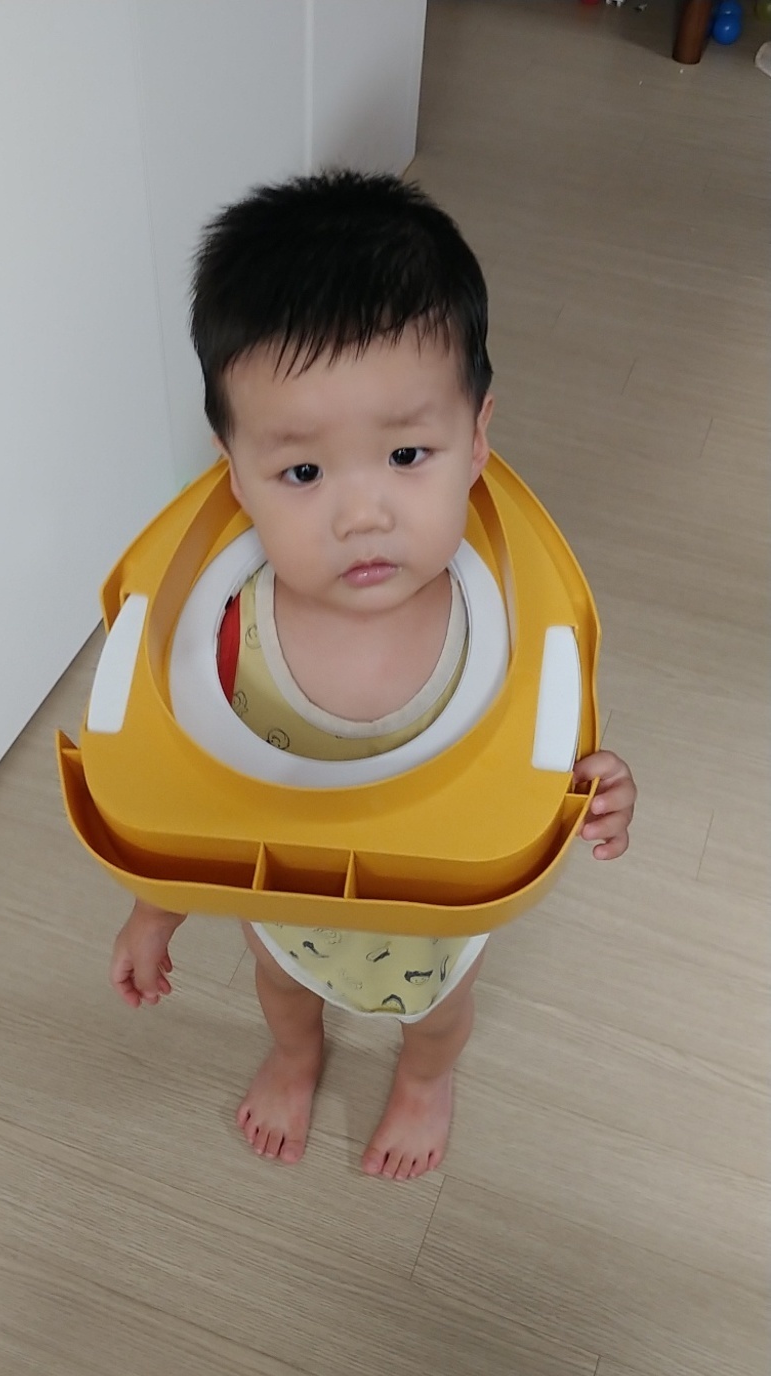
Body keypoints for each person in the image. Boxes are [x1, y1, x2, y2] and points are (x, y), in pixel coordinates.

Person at [109, 171, 637, 1181]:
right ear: (233, 470)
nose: (362, 515)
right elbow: (183, 792)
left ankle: (425, 1082)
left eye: (406, 454)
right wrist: (155, 904)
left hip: (430, 924)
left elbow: (545, 749)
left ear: (476, 438)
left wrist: (598, 789)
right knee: (280, 990)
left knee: (435, 1020)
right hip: (285, 909)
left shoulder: (507, 625)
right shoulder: (221, 633)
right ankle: (294, 1058)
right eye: (303, 472)